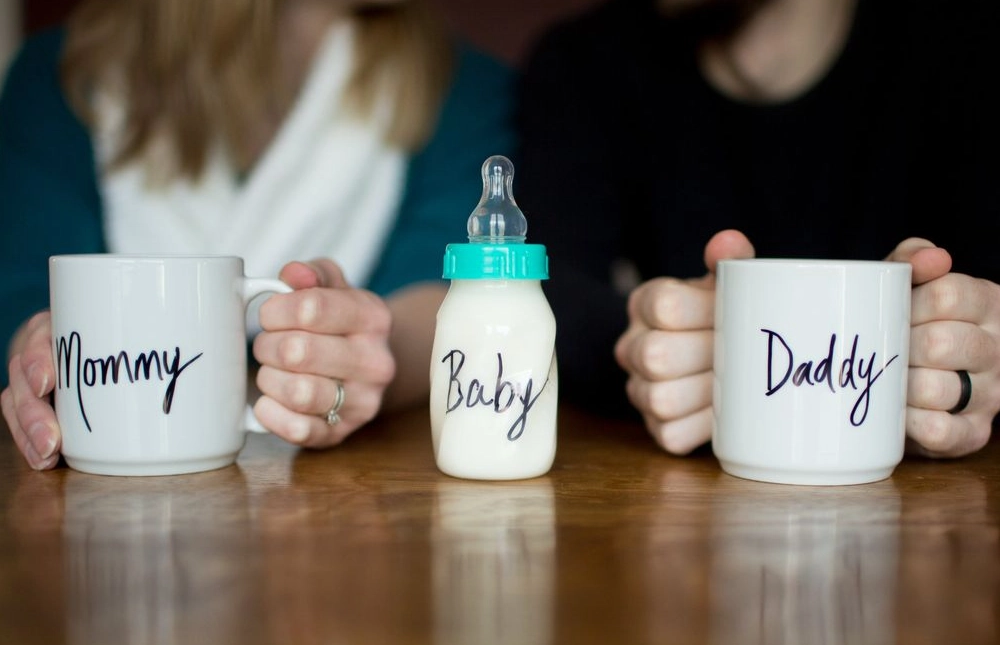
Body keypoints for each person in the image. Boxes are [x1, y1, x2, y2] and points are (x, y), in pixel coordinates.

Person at [0, 0, 516, 469]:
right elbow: (20, 289)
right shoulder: (63, 77)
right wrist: (34, 352)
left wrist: (366, 358)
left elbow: (453, 288)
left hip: (332, 492)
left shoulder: (457, 83)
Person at [516, 0, 1000, 457]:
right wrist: (650, 346)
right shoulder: (585, 62)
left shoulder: (967, 52)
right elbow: (544, 285)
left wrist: (971, 355)